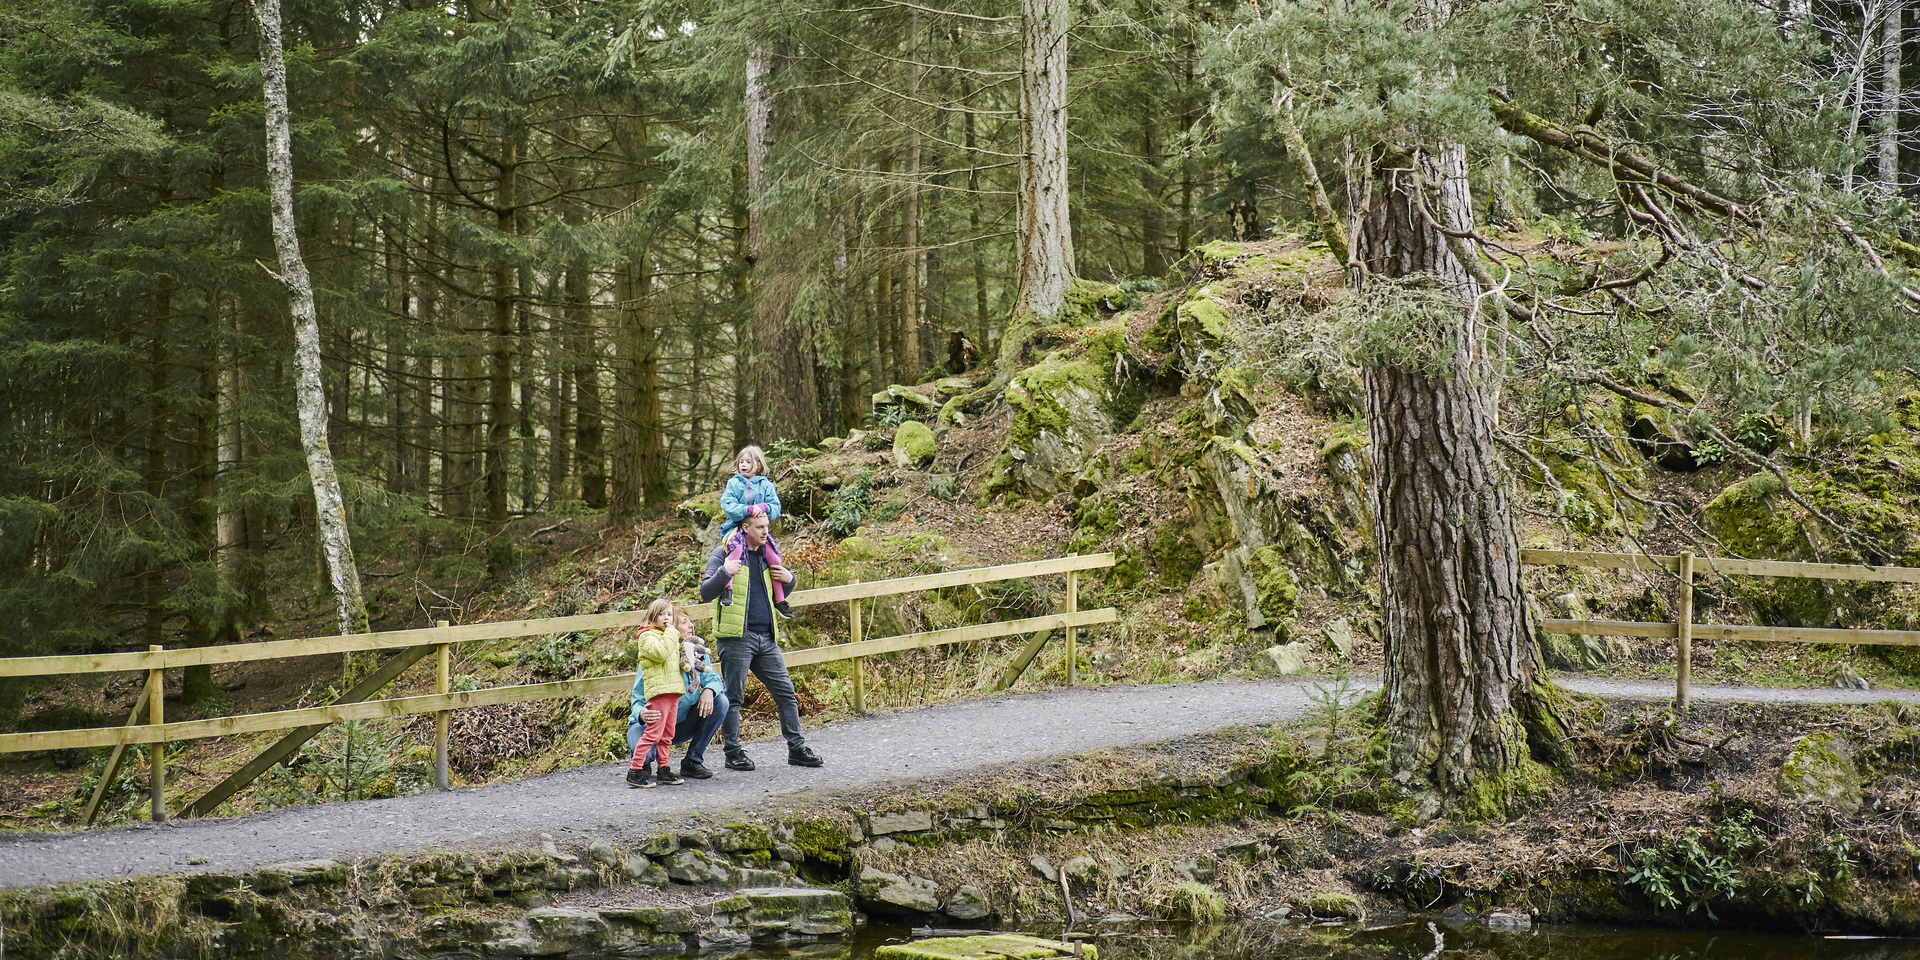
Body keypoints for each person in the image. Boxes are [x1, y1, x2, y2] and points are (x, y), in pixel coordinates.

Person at [700, 510, 822, 769]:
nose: (766, 531)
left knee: (786, 694)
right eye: (760, 527)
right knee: (734, 697)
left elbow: (775, 590)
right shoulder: (724, 552)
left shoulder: (769, 554)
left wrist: (791, 580)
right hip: (736, 638)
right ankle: (733, 753)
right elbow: (705, 592)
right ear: (745, 528)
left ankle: (797, 748)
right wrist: (724, 572)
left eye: (767, 526)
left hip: (766, 637)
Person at [626, 606, 729, 781]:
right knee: (646, 754)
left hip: (678, 724)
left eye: (690, 621)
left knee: (721, 702)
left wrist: (709, 691)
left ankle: (692, 761)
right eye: (684, 622)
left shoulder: (694, 652)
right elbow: (636, 702)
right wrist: (642, 713)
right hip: (648, 724)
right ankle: (641, 767)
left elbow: (713, 678)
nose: (691, 625)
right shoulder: (654, 654)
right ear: (670, 627)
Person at [718, 446, 792, 618]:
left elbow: (776, 507)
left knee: (774, 557)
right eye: (741, 462)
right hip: (735, 528)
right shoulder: (734, 483)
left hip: (758, 530)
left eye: (748, 462)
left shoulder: (765, 485)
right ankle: (727, 590)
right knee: (736, 550)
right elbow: (728, 506)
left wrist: (763, 507)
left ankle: (780, 600)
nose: (743, 465)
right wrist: (748, 509)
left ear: (758, 465)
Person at [627, 599, 686, 788]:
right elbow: (660, 654)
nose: (667, 618)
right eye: (662, 614)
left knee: (667, 734)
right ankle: (635, 770)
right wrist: (671, 633)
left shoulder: (668, 636)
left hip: (673, 691)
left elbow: (673, 662)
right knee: (653, 733)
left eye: (670, 614)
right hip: (659, 691)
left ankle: (664, 769)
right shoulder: (647, 636)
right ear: (653, 616)